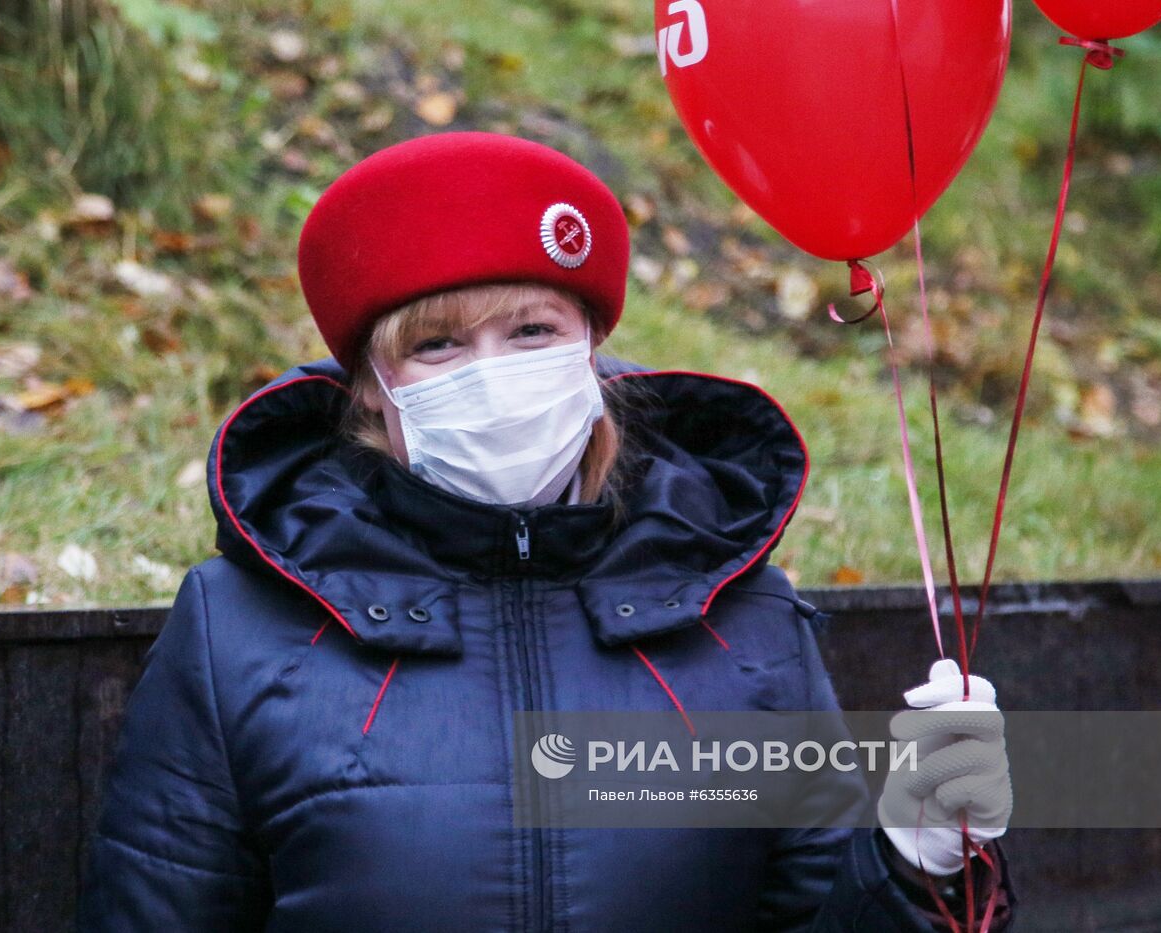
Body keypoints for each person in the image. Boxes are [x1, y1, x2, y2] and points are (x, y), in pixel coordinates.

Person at [77, 132, 1015, 931]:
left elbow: (814, 913)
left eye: (531, 330)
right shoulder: (239, 625)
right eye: (436, 344)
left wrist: (915, 861)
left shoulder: (741, 615)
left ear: (590, 353)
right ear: (370, 385)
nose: (491, 373)